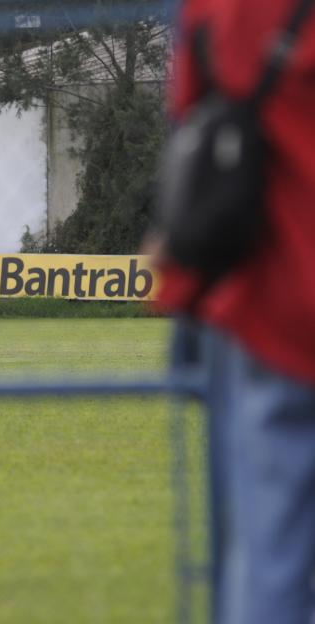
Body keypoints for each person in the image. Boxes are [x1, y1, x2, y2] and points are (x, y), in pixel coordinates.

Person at [155, 1, 315, 622]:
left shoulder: (224, 8)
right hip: (272, 310)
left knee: (268, 557)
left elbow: (193, 126)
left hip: (275, 303)